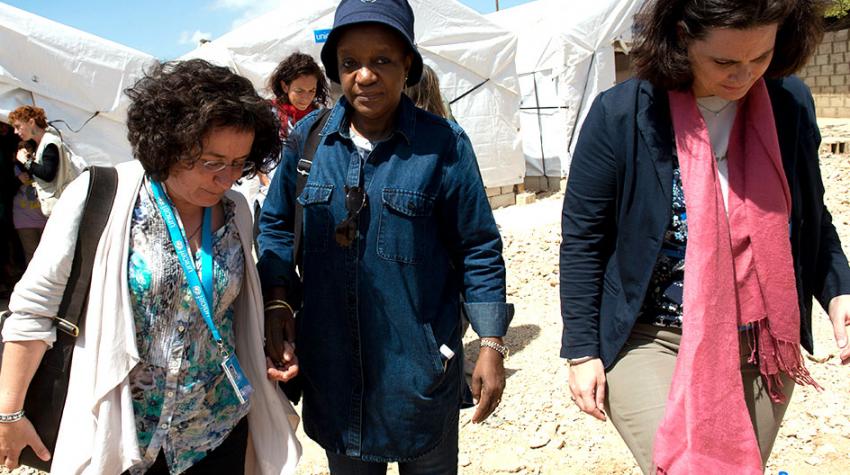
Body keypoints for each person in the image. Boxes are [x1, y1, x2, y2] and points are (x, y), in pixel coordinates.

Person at [560, 0, 850, 473]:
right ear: (680, 37)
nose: (745, 76)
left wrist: (839, 290)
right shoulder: (622, 114)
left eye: (761, 58)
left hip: (761, 344)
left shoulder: (789, 103)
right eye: (725, 62)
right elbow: (583, 240)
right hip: (650, 336)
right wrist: (581, 349)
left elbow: (812, 217)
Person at [0, 59, 301, 474]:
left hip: (217, 433)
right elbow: (34, 311)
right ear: (169, 144)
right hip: (125, 441)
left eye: (238, 163)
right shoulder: (101, 195)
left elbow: (232, 313)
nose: (225, 179)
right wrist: (9, 414)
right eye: (211, 161)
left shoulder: (237, 212)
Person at [258, 0, 514, 473]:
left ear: (408, 66)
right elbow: (274, 224)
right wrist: (277, 299)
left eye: (382, 60)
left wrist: (492, 342)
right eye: (350, 63)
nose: (365, 76)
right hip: (334, 379)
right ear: (336, 70)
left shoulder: (444, 146)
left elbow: (478, 245)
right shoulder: (307, 143)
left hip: (420, 378)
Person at [7, 106, 80, 217]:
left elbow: (47, 174)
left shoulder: (50, 142)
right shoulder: (40, 143)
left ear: (31, 122)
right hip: (59, 207)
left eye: (18, 126)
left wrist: (26, 162)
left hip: (64, 208)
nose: (15, 131)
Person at [268, 51, 330, 142]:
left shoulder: (322, 118)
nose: (306, 98)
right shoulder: (269, 116)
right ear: (285, 86)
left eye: (312, 91)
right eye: (299, 91)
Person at [10, 141, 47, 265]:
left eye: (28, 147)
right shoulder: (12, 168)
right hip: (24, 219)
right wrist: (17, 181)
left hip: (44, 217)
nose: (25, 150)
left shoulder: (41, 166)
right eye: (21, 147)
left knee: (47, 254)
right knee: (31, 255)